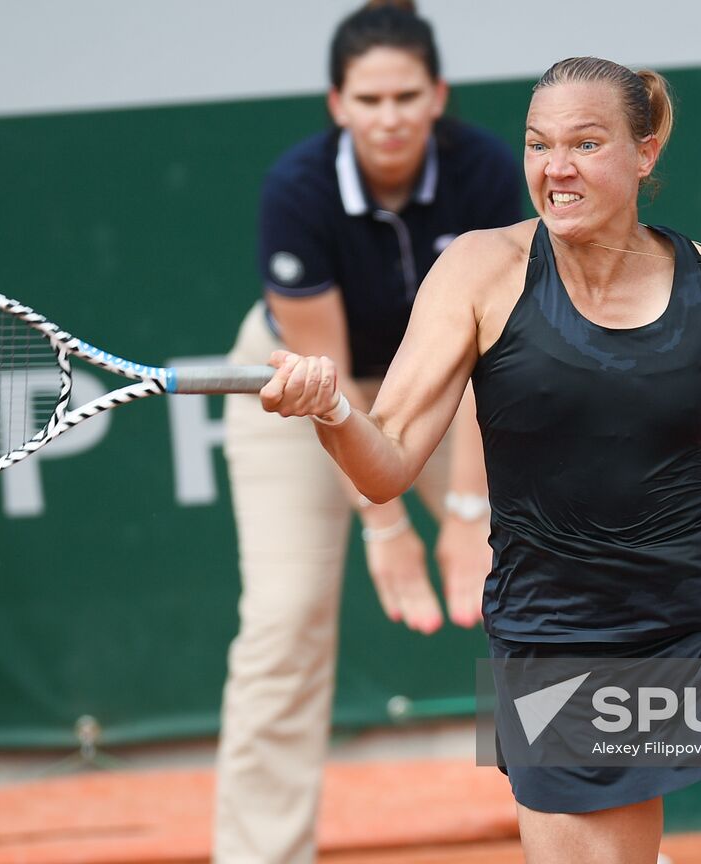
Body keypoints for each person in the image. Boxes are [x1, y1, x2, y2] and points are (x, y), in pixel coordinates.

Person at [260, 55, 701, 863]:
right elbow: (385, 464)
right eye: (537, 145)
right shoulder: (478, 272)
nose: (555, 168)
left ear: (644, 153)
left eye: (585, 143)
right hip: (560, 660)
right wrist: (332, 412)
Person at [214, 2, 521, 861]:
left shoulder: (488, 176)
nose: (389, 117)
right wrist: (385, 527)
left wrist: (466, 514)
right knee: (283, 620)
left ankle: (611, 836)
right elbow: (330, 387)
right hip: (302, 390)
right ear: (337, 104)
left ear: (437, 97)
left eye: (406, 96)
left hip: (446, 382)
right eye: (369, 99)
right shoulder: (297, 192)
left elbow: (486, 356)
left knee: (546, 583)